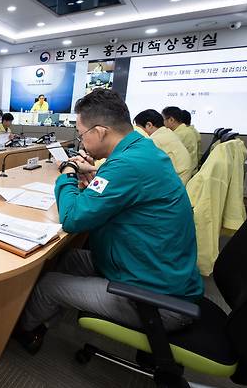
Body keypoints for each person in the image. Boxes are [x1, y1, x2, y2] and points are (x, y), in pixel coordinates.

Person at [15, 89, 202, 356]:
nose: (82, 141)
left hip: (157, 299)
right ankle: (46, 319)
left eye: (81, 134)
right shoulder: (141, 148)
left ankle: (25, 331)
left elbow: (72, 218)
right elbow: (121, 180)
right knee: (68, 258)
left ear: (100, 131)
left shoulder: (127, 165)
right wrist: (98, 174)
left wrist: (68, 173)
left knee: (48, 285)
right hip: (146, 266)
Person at [134, 109, 194, 184]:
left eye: (139, 129)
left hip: (173, 185)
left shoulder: (155, 140)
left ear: (149, 125)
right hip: (180, 180)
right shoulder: (167, 133)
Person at [162, 106, 198, 173]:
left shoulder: (179, 134)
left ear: (171, 120)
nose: (162, 123)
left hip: (185, 172)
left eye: (163, 119)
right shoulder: (184, 130)